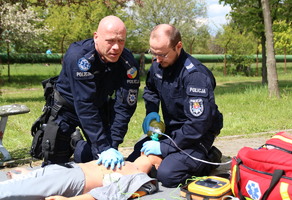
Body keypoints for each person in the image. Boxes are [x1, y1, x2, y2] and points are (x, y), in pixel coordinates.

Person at [127, 24, 223, 188]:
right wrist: (152, 112)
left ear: (178, 46)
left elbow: (198, 125)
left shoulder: (195, 76)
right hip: (174, 129)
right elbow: (151, 90)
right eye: (153, 53)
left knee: (168, 175)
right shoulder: (158, 65)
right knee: (133, 158)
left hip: (199, 134)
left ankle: (209, 158)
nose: (157, 60)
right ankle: (167, 158)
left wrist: (164, 147)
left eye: (162, 54)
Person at [39, 15, 140, 167]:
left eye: (121, 41)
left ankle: (78, 145)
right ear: (96, 37)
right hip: (67, 108)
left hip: (98, 107)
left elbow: (125, 106)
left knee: (100, 162)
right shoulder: (79, 57)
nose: (116, 47)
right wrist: (103, 146)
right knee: (54, 166)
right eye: (110, 41)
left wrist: (112, 145)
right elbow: (84, 105)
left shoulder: (128, 63)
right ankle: (70, 143)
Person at [0, 153, 161, 200]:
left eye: (154, 155)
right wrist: (33, 174)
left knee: (9, 192)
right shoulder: (125, 161)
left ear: (156, 165)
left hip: (73, 180)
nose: (146, 152)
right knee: (14, 188)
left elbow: (109, 193)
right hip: (64, 170)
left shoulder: (140, 178)